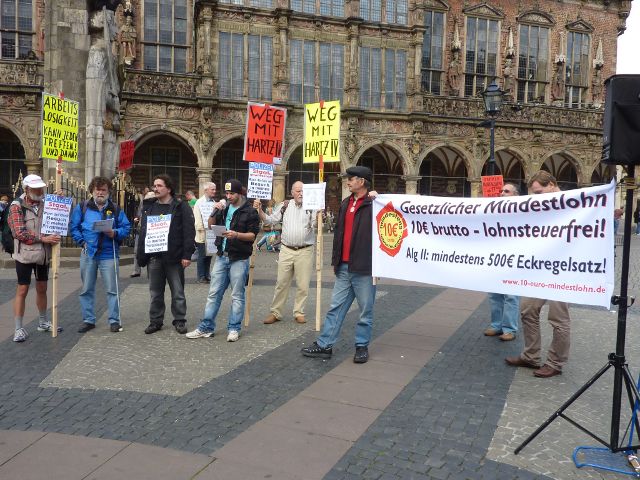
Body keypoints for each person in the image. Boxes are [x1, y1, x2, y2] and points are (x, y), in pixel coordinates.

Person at [301, 166, 376, 364]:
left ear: (362, 181)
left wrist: (380, 198)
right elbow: (339, 235)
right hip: (344, 266)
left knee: (365, 310)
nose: (348, 181)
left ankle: (361, 346)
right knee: (336, 307)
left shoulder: (375, 204)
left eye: (351, 179)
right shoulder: (345, 203)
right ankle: (325, 345)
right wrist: (335, 261)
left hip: (365, 268)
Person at [506, 171, 571, 378]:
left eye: (539, 192)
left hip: (564, 270)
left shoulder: (572, 203)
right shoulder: (541, 205)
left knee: (558, 318)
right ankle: (531, 355)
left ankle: (555, 362)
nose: (536, 197)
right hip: (541, 268)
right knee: (527, 309)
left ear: (552, 184)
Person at [186, 179, 259, 342]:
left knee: (237, 295)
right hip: (222, 256)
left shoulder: (250, 211)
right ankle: (206, 327)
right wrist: (214, 210)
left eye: (231, 193)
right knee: (213, 294)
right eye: (226, 193)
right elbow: (211, 225)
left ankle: (234, 328)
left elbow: (253, 235)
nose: (228, 196)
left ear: (239, 193)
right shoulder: (224, 208)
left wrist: (237, 235)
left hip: (239, 258)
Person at [136, 174, 195, 335]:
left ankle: (180, 320)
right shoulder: (150, 207)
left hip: (174, 257)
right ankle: (156, 321)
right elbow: (144, 232)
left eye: (159, 186)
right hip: (154, 256)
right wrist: (141, 254)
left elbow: (189, 231)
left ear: (168, 188)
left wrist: (187, 255)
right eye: (154, 186)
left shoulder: (180, 206)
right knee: (155, 292)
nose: (156, 188)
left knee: (177, 291)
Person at [71, 176, 131, 333]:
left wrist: (114, 233)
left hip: (109, 253)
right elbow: (74, 227)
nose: (100, 192)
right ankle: (88, 320)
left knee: (113, 289)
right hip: (88, 252)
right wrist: (81, 242)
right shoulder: (82, 207)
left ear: (108, 191)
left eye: (103, 190)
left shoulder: (116, 209)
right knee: (86, 288)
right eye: (97, 189)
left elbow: (126, 227)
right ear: (92, 190)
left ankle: (114, 320)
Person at [8, 174, 61, 342]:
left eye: (41, 188)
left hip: (42, 255)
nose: (40, 191)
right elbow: (19, 232)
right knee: (22, 289)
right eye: (36, 188)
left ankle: (43, 321)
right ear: (27, 189)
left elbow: (60, 218)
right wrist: (42, 239)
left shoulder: (47, 202)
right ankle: (18, 328)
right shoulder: (17, 206)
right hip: (24, 254)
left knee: (42, 287)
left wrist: (60, 202)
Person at [255, 181, 317, 325]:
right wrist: (260, 211)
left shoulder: (312, 207)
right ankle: (275, 312)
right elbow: (270, 220)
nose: (301, 193)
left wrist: (319, 214)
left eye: (303, 191)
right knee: (281, 283)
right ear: (292, 192)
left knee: (303, 284)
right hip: (286, 250)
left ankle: (299, 312)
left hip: (305, 250)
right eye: (297, 191)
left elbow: (315, 224)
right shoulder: (284, 206)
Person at [484, 183, 520, 342]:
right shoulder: (495, 211)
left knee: (511, 295)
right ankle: (496, 325)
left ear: (516, 195)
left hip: (513, 258)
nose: (502, 193)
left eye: (507, 191)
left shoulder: (523, 211)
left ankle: (510, 328)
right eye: (501, 191)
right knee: (494, 294)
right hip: (496, 258)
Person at [193, 182, 225, 283]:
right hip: (202, 234)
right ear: (206, 190)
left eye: (215, 189)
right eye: (212, 189)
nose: (215, 191)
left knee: (209, 255)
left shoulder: (213, 202)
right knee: (202, 256)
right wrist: (202, 229)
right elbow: (197, 219)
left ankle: (207, 275)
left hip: (211, 233)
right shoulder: (199, 202)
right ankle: (201, 276)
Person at [131, 189, 155, 277]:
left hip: (150, 232)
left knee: (151, 252)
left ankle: (151, 272)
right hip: (140, 230)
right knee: (136, 251)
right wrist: (137, 219)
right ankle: (136, 270)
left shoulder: (156, 207)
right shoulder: (142, 205)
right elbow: (138, 214)